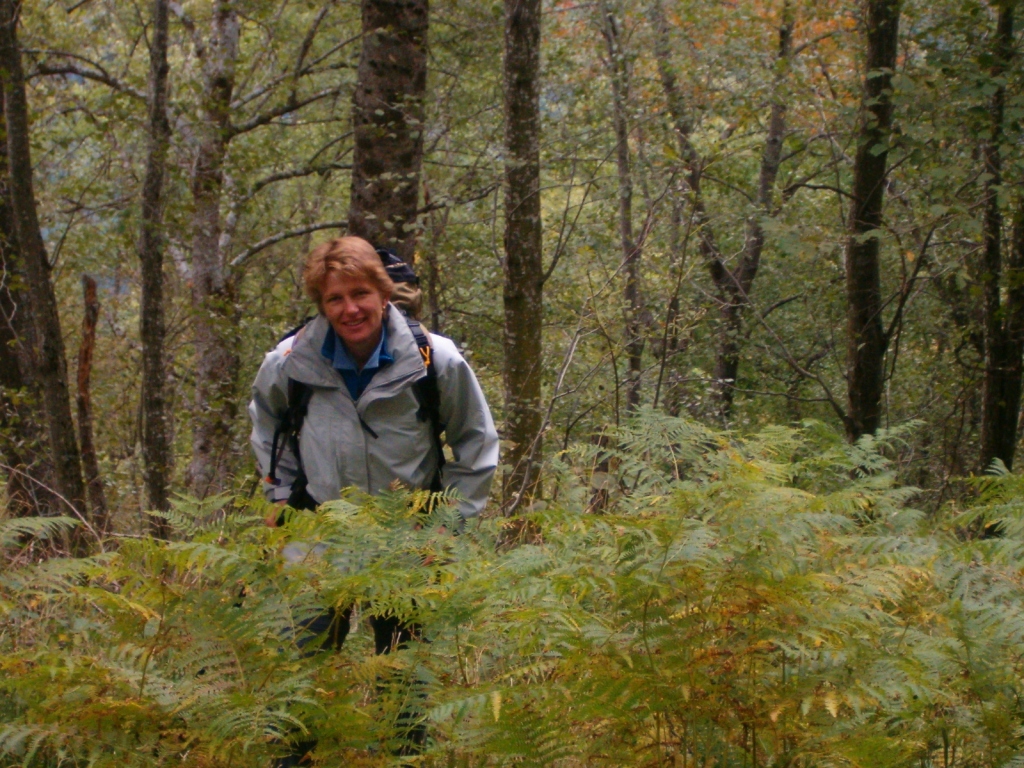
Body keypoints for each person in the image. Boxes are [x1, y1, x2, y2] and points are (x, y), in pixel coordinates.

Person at [247, 236, 499, 757]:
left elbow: (475, 444)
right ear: (321, 303)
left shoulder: (435, 359)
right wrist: (281, 497)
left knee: (405, 688)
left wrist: (447, 525)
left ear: (384, 295)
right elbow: (267, 427)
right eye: (334, 298)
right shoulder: (291, 361)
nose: (350, 309)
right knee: (303, 680)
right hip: (319, 534)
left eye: (360, 293)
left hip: (410, 539)